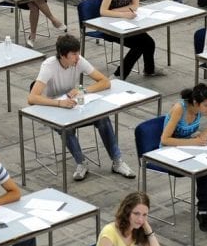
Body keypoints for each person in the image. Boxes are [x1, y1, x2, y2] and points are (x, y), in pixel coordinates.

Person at [29, 34, 136, 181]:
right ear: (62, 55)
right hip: (53, 108)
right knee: (66, 127)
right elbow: (32, 98)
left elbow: (105, 82)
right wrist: (60, 103)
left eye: (78, 53)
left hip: (73, 104)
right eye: (73, 54)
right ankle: (81, 163)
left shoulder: (79, 61)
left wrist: (84, 91)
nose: (77, 57)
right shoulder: (49, 66)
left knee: (102, 117)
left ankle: (117, 161)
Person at [160, 83, 207, 231]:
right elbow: (165, 140)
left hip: (189, 149)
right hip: (169, 154)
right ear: (196, 103)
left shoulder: (202, 106)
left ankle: (205, 212)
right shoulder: (179, 109)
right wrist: (194, 142)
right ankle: (205, 213)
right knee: (203, 170)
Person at [100, 0, 162, 78]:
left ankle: (149, 70)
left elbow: (135, 6)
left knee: (149, 42)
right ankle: (119, 75)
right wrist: (123, 14)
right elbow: (103, 11)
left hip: (126, 23)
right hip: (110, 26)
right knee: (139, 46)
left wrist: (117, 11)